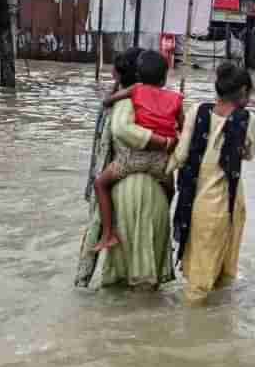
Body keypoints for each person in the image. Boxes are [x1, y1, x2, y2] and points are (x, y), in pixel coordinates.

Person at [76, 50, 178, 290]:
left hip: (124, 194)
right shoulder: (167, 101)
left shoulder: (123, 103)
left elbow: (109, 148)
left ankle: (107, 234)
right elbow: (178, 137)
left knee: (118, 289)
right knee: (149, 288)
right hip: (159, 193)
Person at [169, 62, 255, 305]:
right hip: (229, 204)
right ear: (242, 92)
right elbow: (248, 155)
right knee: (219, 277)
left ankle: (190, 330)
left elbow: (180, 155)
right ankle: (206, 331)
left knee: (198, 277)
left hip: (197, 203)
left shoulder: (198, 110)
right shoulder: (247, 121)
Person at [91, 54, 184, 252]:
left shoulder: (135, 90)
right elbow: (182, 130)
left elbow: (109, 101)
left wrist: (111, 97)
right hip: (161, 161)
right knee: (170, 190)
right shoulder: (176, 98)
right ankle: (163, 227)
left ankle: (108, 234)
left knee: (100, 183)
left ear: (139, 76)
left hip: (134, 159)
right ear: (164, 78)